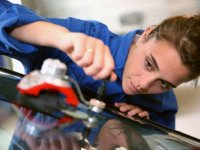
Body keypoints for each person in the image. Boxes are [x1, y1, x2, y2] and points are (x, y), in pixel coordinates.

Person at [0, 0, 200, 144]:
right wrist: (60, 39)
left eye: (164, 83)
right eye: (149, 64)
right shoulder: (86, 35)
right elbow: (5, 16)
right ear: (145, 34)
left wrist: (138, 132)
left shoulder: (163, 106)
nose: (144, 84)